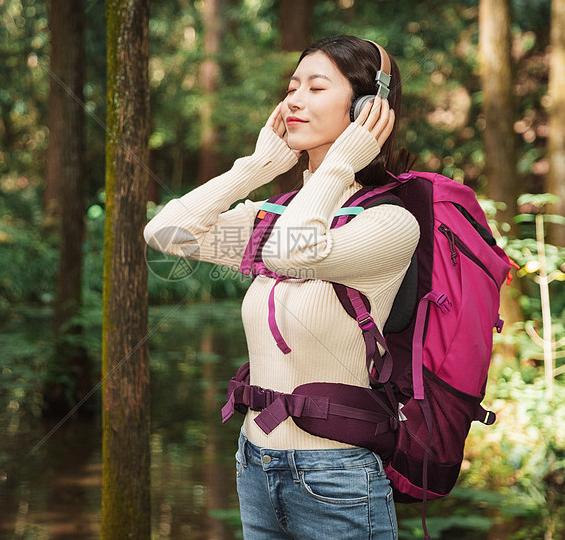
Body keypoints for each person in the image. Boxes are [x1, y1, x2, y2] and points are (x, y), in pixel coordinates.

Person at [144, 35, 420, 540]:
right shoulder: (278, 217)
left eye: (316, 87)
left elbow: (293, 253)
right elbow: (166, 233)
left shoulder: (389, 223)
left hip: (336, 478)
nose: (293, 100)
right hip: (255, 466)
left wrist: (342, 161)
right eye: (293, 86)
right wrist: (255, 167)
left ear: (366, 109)